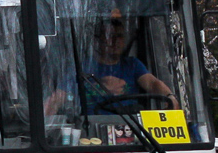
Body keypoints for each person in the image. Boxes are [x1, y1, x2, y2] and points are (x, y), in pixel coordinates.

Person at [47, 8, 177, 115]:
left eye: (119, 36)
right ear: (97, 41)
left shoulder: (133, 65)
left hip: (132, 129)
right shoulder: (81, 68)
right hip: (92, 133)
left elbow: (153, 83)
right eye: (109, 36)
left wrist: (169, 96)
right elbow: (57, 98)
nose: (115, 42)